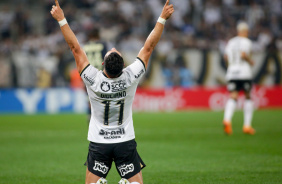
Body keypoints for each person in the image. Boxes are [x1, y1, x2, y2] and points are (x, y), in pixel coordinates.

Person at [50, 0, 174, 184]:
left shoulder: (93, 79)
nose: (112, 49)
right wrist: (162, 18)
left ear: (102, 64)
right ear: (124, 66)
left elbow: (75, 48)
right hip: (125, 141)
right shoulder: (130, 77)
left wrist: (61, 20)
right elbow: (149, 47)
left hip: (99, 143)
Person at [223, 21, 255, 135]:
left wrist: (231, 65)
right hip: (244, 72)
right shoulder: (247, 42)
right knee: (247, 96)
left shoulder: (231, 42)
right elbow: (243, 54)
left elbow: (226, 56)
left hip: (232, 72)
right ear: (246, 31)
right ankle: (247, 125)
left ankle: (227, 120)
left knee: (233, 96)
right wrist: (250, 61)